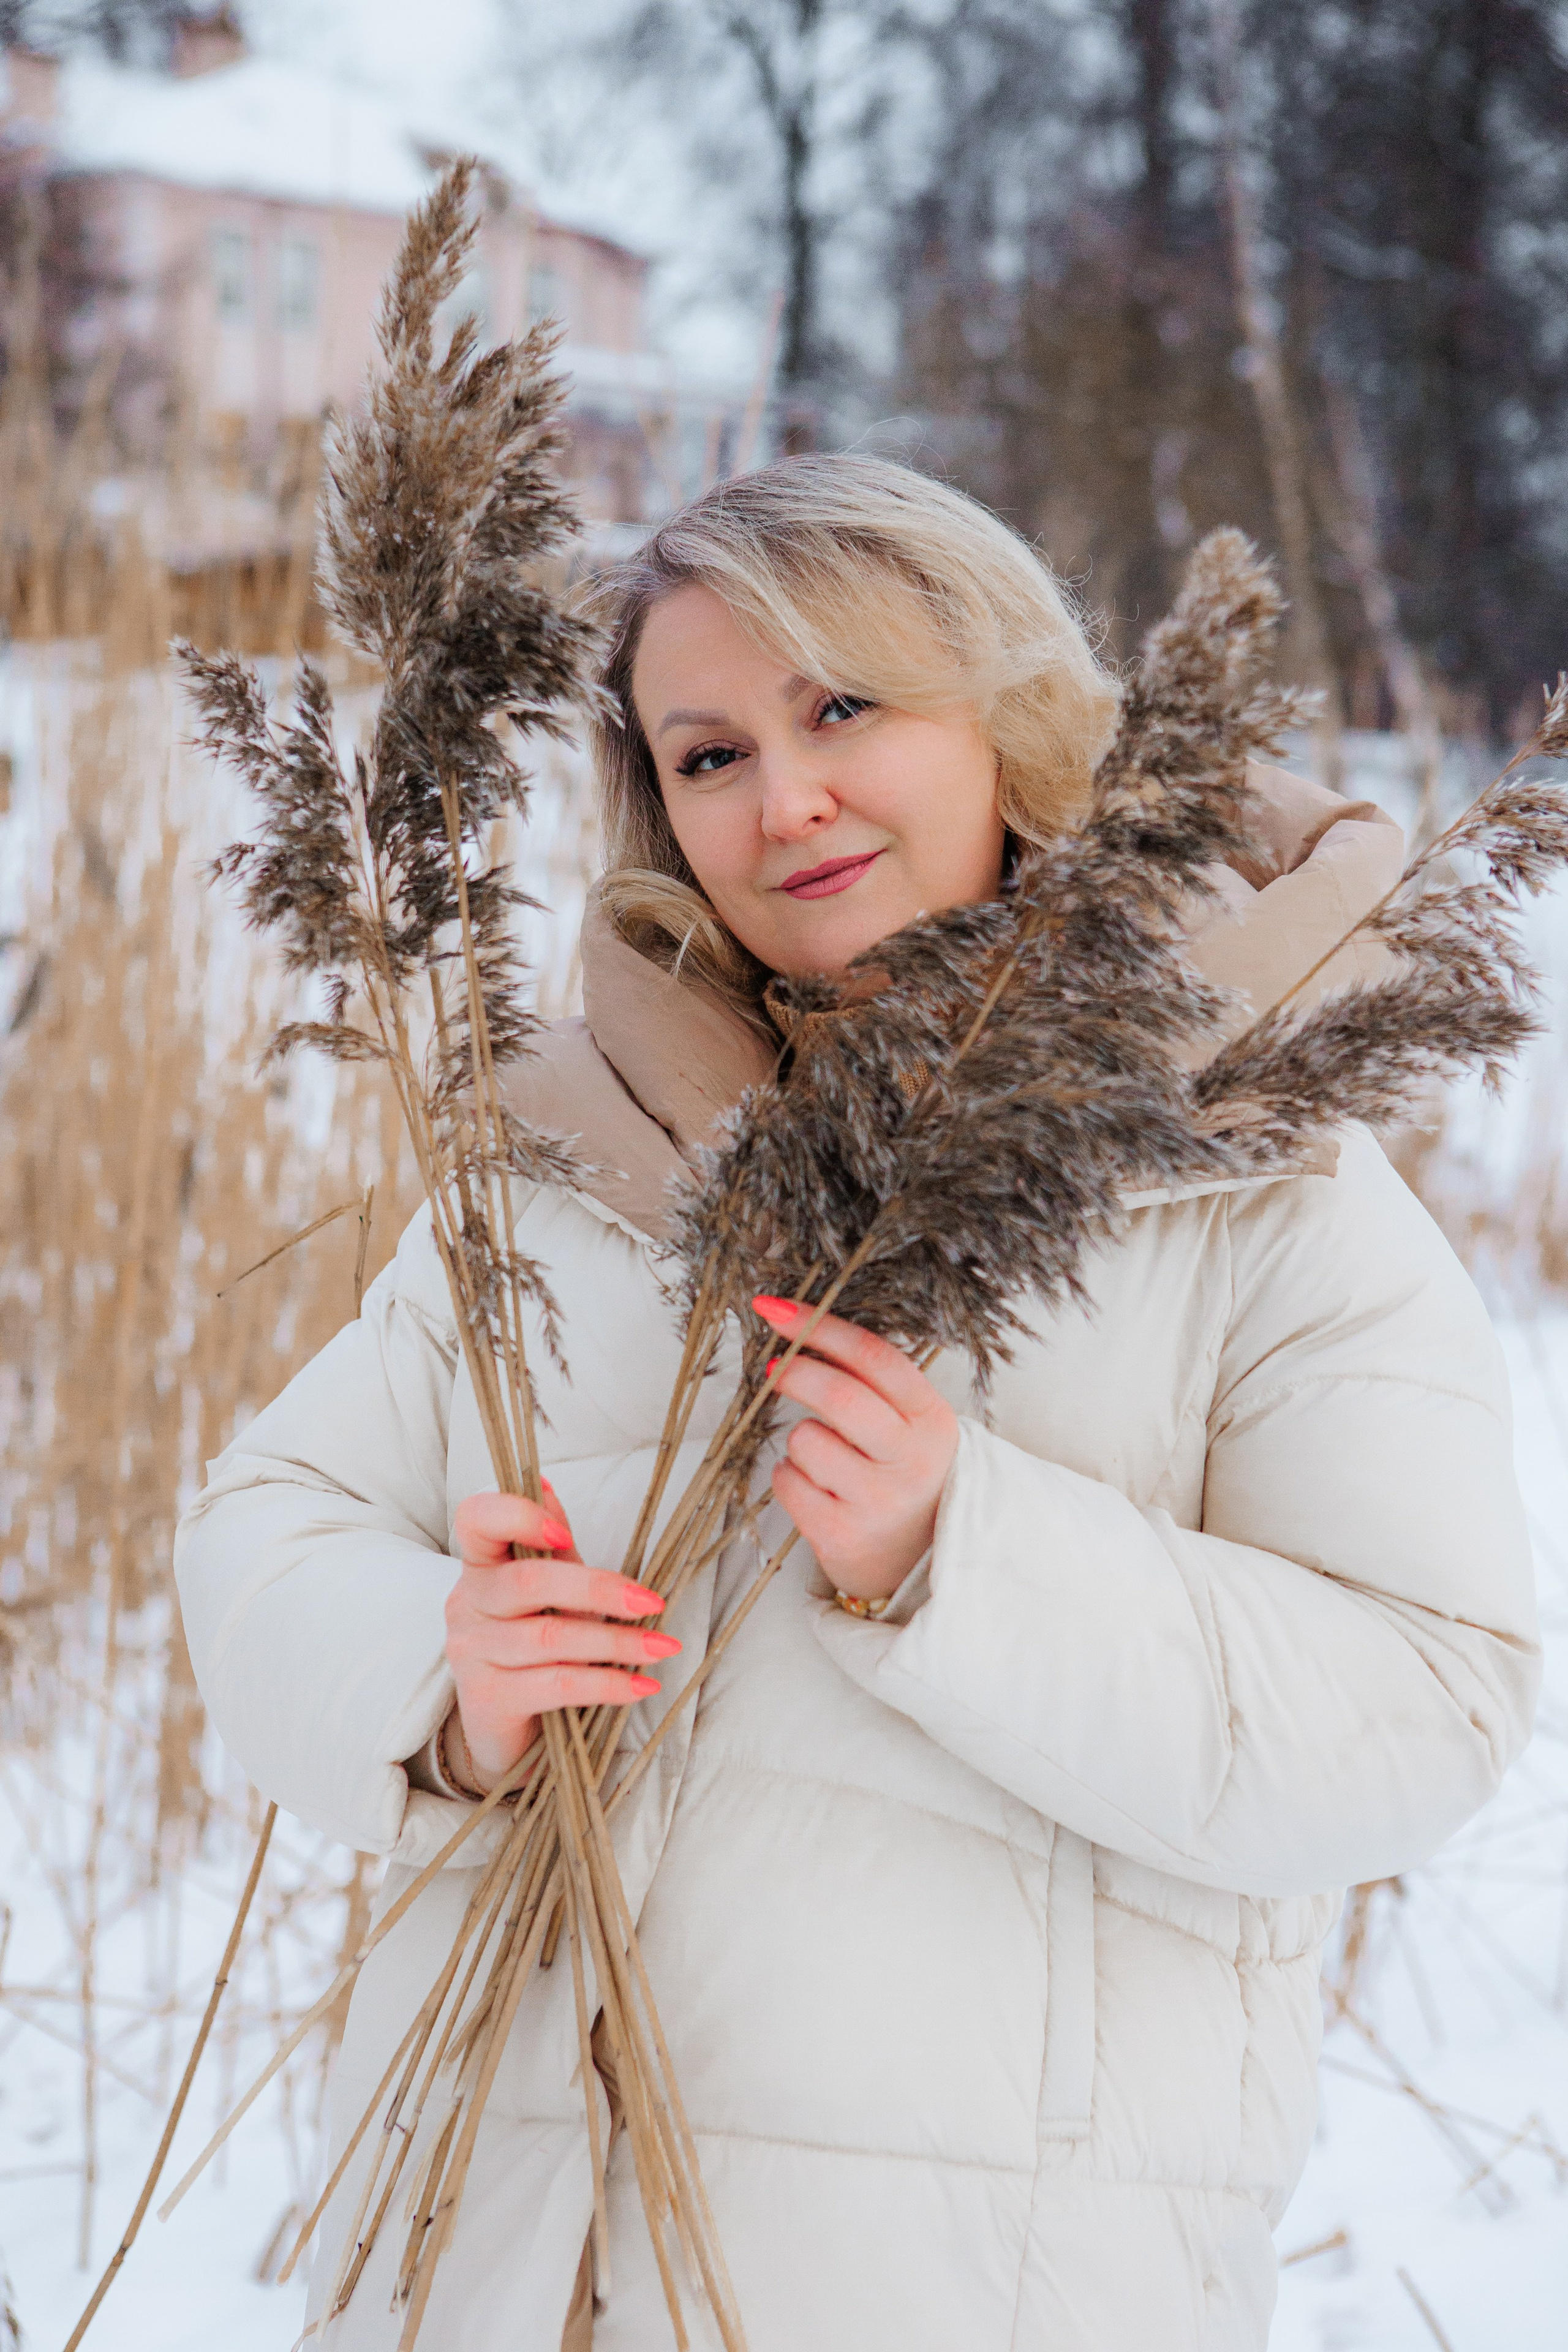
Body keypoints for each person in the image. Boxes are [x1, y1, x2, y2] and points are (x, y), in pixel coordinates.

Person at [176, 455, 1539, 2352]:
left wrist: (961, 1554)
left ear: (1005, 711)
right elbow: (265, 1525)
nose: (783, 797)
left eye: (842, 707)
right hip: (502, 2269)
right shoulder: (566, 1158)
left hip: (975, 2296)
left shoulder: (1259, 1182)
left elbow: (1427, 1701)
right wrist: (441, 1675)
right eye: (708, 753)